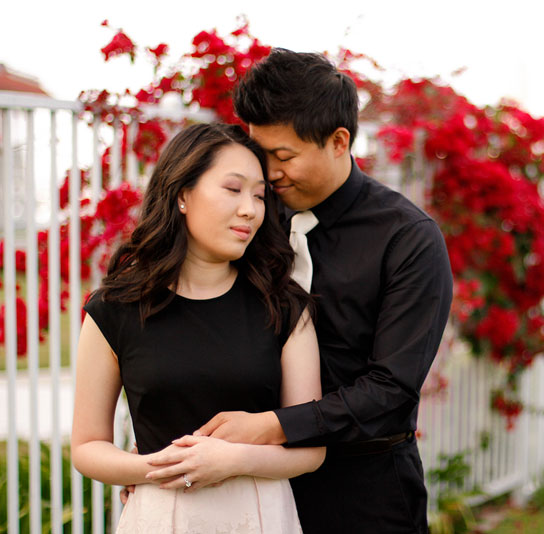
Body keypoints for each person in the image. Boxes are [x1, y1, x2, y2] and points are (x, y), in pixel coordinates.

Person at [193, 49, 454, 534]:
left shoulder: (407, 239)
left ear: (339, 141)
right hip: (250, 483)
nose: (268, 173)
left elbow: (392, 390)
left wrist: (274, 426)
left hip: (365, 492)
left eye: (284, 155)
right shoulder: (253, 220)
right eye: (260, 152)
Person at [71, 123, 325, 533]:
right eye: (233, 189)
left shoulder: (285, 306)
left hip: (259, 515)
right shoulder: (114, 309)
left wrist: (232, 459)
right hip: (160, 514)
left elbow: (311, 448)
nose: (250, 209)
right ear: (183, 195)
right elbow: (87, 446)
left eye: (259, 196)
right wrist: (157, 468)